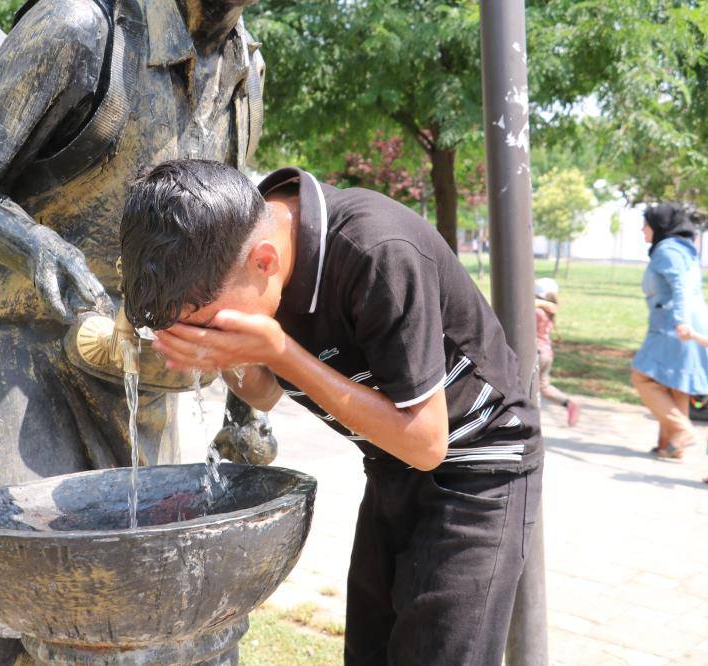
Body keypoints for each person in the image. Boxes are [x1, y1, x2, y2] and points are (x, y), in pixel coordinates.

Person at [0, 1, 266, 662]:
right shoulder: (78, 27)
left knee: (142, 594)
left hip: (141, 369)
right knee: (9, 591)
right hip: (26, 351)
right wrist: (32, 244)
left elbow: (226, 233)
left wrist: (243, 405)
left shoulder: (244, 67)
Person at [120, 160, 543, 665]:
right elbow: (264, 394)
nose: (210, 333)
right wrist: (220, 357)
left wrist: (281, 352)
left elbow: (427, 442)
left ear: (265, 261)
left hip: (479, 467)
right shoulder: (230, 246)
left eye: (210, 324)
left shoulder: (377, 253)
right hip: (388, 463)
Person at [631, 203, 708, 460]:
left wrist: (680, 321)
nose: (643, 229)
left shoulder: (667, 250)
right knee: (677, 382)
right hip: (689, 322)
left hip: (673, 324)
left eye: (646, 224)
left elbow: (680, 287)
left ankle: (682, 431)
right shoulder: (686, 250)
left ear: (659, 226)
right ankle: (671, 447)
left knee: (642, 376)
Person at [534, 277, 580, 426]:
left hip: (537, 353)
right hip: (547, 353)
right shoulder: (549, 309)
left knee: (523, 386)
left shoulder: (537, 311)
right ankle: (568, 403)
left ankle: (527, 418)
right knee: (544, 386)